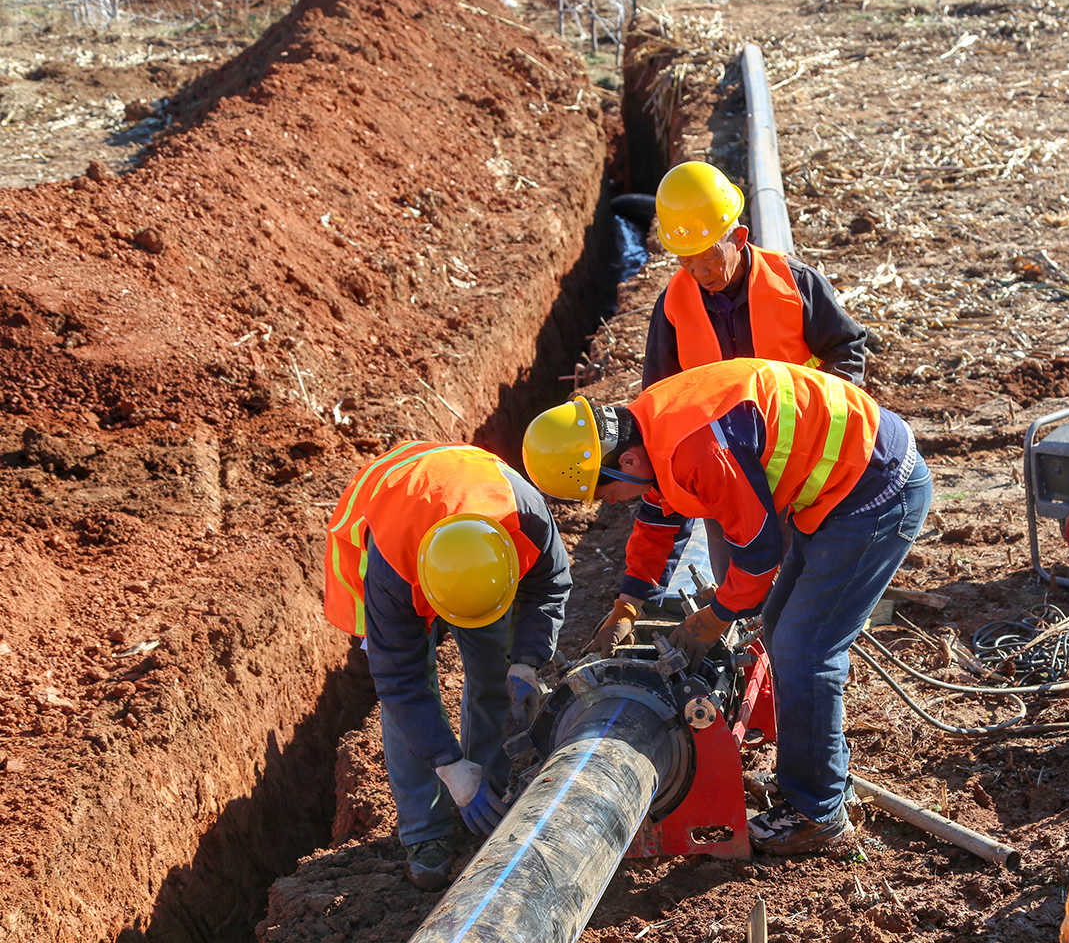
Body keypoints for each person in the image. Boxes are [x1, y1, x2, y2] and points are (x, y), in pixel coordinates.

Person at [522, 358, 930, 855]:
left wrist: (714, 618)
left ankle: (817, 812)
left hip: (874, 490)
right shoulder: (646, 428)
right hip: (840, 483)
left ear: (624, 462)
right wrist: (628, 604)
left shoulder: (697, 449)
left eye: (603, 492)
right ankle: (817, 780)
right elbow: (656, 520)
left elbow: (757, 556)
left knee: (805, 649)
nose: (608, 503)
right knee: (781, 630)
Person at [322, 441, 570, 889]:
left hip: (472, 515)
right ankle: (426, 833)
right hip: (395, 525)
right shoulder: (392, 573)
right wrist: (448, 765)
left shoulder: (525, 519)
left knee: (495, 669)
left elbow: (551, 585)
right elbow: (400, 682)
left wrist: (526, 662)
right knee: (406, 706)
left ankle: (489, 791)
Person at [639, 160, 869, 598]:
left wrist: (830, 422)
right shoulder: (672, 305)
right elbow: (658, 401)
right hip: (724, 476)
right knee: (741, 589)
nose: (700, 274)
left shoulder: (794, 283)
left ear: (739, 238)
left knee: (805, 590)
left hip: (801, 467)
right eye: (687, 262)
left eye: (709, 257)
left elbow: (847, 347)